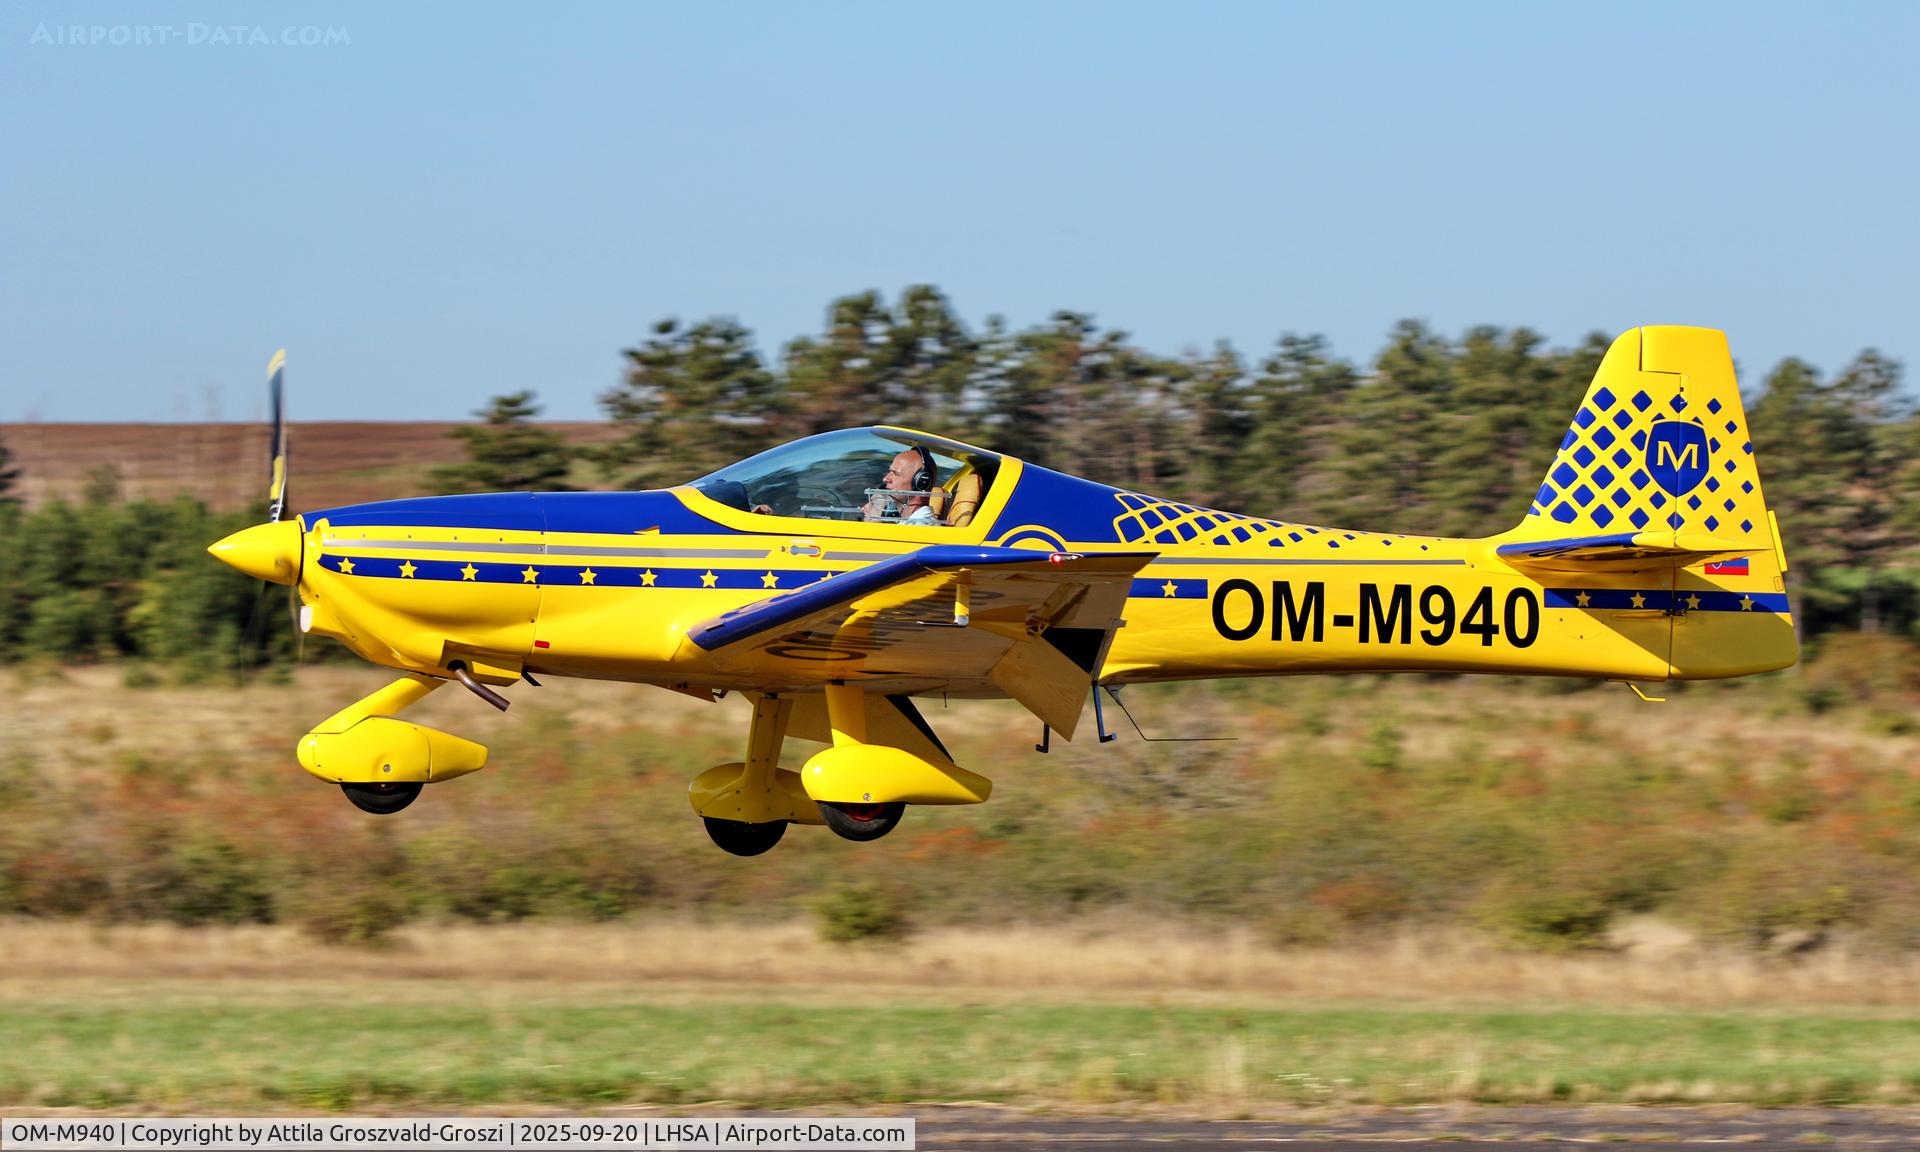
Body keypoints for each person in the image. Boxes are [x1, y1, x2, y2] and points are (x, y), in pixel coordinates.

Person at [863, 446, 941, 524]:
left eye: (896, 473)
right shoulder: (903, 522)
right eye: (890, 472)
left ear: (921, 482)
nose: (885, 479)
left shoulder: (923, 529)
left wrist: (873, 519)